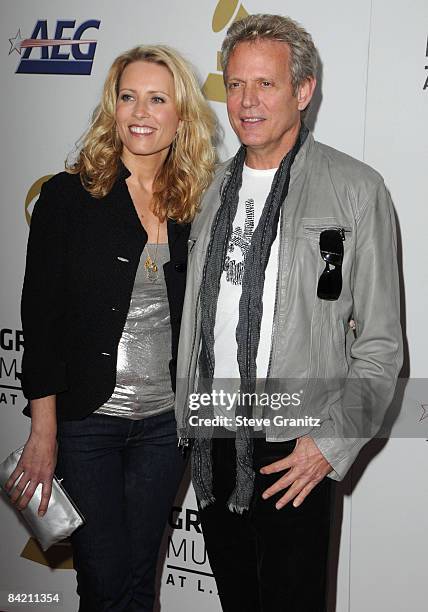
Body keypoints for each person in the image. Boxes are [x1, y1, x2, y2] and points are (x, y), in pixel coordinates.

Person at [175, 14, 403, 612]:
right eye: (236, 85)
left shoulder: (356, 189)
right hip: (213, 435)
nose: (246, 102)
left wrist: (331, 442)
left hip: (296, 444)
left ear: (303, 90)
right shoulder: (206, 189)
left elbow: (379, 347)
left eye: (265, 84)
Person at [5, 45, 215, 611]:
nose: (140, 112)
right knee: (102, 579)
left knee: (139, 578)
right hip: (87, 425)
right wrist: (43, 431)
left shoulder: (199, 202)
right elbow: (40, 322)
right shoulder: (68, 198)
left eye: (156, 98)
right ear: (112, 107)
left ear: (181, 115)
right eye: (128, 97)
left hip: (164, 428)